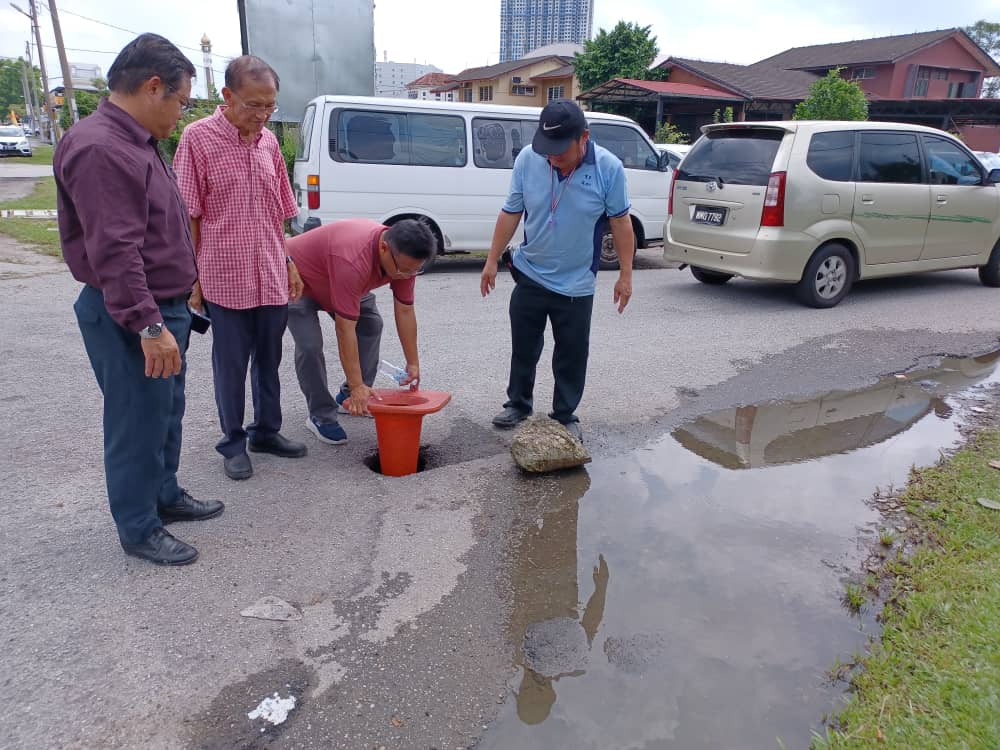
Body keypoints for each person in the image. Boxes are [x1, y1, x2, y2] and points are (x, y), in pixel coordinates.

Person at [54, 33, 224, 566]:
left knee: (164, 412)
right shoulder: (102, 148)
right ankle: (138, 527)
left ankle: (164, 495)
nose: (181, 112)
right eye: (182, 100)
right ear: (155, 87)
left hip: (161, 305)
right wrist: (149, 327)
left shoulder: (136, 140)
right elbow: (116, 251)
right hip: (133, 311)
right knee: (134, 421)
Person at [173, 55, 305, 481]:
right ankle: (233, 441)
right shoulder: (197, 139)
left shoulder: (268, 143)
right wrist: (193, 278)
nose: (263, 115)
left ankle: (266, 431)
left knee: (269, 360)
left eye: (270, 106)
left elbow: (279, 213)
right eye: (253, 105)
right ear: (227, 96)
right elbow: (187, 216)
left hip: (269, 272)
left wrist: (288, 262)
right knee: (230, 365)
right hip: (223, 277)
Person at [480, 99, 635, 442]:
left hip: (576, 282)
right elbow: (511, 212)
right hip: (531, 271)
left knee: (572, 351)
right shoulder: (528, 160)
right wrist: (491, 260)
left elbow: (621, 223)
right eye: (547, 150)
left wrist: (625, 275)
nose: (552, 158)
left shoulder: (608, 169)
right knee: (524, 346)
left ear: (584, 138)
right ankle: (518, 404)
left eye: (560, 151)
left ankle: (564, 415)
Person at [285, 219, 435, 442]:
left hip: (342, 283)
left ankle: (348, 397)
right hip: (300, 280)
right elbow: (345, 329)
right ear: (384, 248)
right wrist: (357, 384)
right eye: (403, 270)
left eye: (414, 271)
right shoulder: (354, 259)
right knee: (310, 346)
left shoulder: (404, 263)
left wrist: (412, 362)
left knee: (371, 324)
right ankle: (321, 415)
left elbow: (405, 311)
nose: (407, 275)